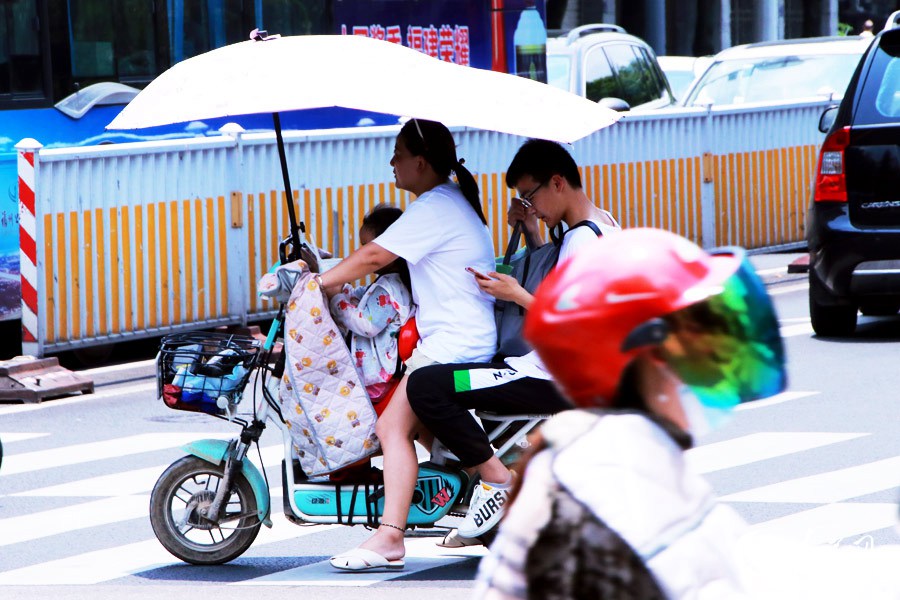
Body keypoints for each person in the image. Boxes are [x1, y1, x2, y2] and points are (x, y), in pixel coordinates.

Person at [475, 227, 790, 598]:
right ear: (649, 359)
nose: (715, 363)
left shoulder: (633, 457)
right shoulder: (603, 485)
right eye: (698, 345)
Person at [406, 139, 620, 542]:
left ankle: (497, 481)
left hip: (549, 376)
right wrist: (533, 233)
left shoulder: (582, 242)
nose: (529, 204)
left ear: (557, 182)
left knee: (426, 386)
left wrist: (515, 295)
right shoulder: (601, 224)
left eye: (530, 195)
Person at [322, 118, 497, 572]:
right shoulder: (448, 201)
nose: (392, 162)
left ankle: (390, 538)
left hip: (451, 345)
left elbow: (376, 255)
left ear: (421, 162)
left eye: (398, 153)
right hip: (456, 337)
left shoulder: (436, 207)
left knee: (390, 430)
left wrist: (319, 283)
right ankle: (468, 493)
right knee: (417, 430)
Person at [329, 205, 413, 399]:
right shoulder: (391, 282)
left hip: (375, 380)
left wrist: (335, 298)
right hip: (373, 376)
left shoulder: (389, 288)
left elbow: (366, 324)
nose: (363, 253)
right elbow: (361, 295)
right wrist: (341, 286)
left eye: (368, 247)